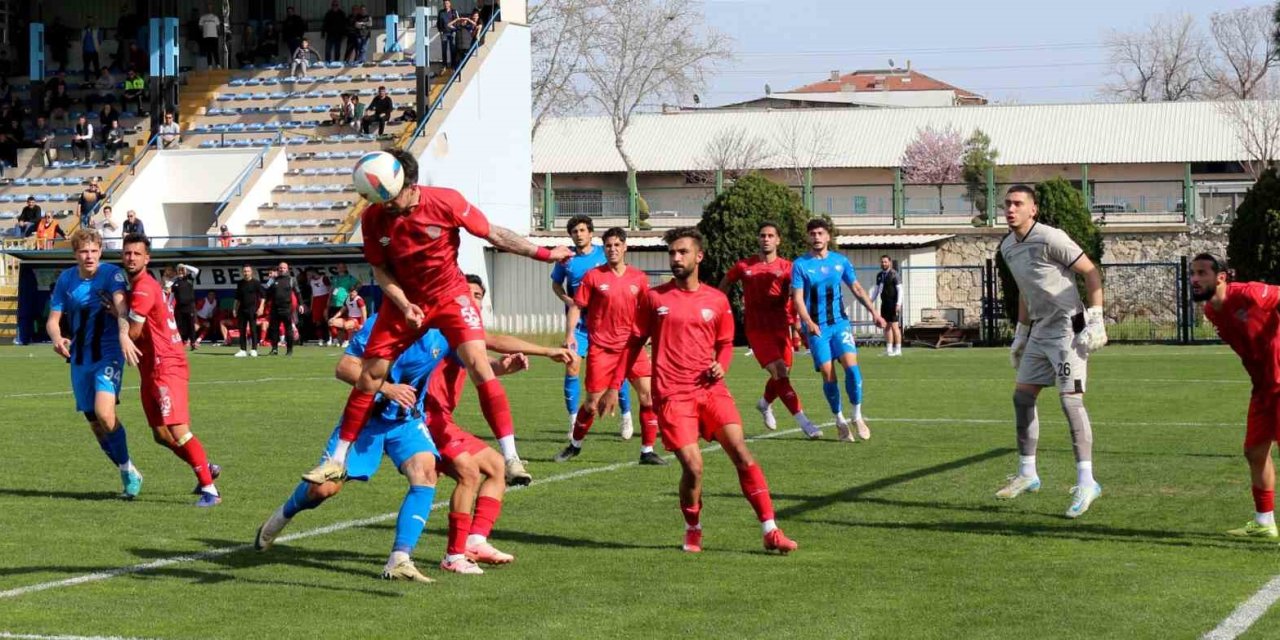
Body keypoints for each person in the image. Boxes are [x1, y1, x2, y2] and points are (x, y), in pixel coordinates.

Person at [302, 148, 573, 489]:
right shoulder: (373, 217)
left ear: (411, 185)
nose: (386, 206)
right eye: (379, 200)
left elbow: (494, 234)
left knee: (477, 362)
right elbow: (380, 270)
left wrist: (545, 254)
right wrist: (402, 304)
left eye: (391, 198)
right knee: (370, 375)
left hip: (449, 295)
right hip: (405, 302)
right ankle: (336, 460)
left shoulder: (446, 202)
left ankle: (511, 456)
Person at [601, 227, 797, 554]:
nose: (676, 258)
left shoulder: (717, 300)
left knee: (742, 454)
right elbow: (633, 342)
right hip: (672, 396)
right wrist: (613, 385)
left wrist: (722, 363)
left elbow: (724, 344)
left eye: (682, 252)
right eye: (672, 253)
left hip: (711, 391)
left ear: (699, 256)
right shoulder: (654, 297)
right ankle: (693, 526)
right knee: (693, 467)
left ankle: (770, 530)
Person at [996, 184, 1108, 518]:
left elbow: (1090, 272)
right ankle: (1028, 473)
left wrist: (1097, 318)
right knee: (1022, 397)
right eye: (1007, 204)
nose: (1010, 209)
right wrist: (1021, 334)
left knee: (1070, 402)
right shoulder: (1007, 247)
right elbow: (1024, 291)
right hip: (1039, 330)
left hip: (1066, 328)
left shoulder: (1051, 237)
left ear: (1034, 209)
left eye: (1018, 204)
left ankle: (1087, 482)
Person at [120, 234, 221, 506]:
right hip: (150, 368)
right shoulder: (143, 286)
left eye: (136, 254)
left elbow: (135, 331)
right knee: (160, 435)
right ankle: (204, 466)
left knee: (178, 429)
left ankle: (210, 490)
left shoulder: (142, 287)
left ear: (146, 258)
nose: (131, 257)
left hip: (166, 365)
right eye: (127, 253)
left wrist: (118, 323)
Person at [46, 227, 144, 499]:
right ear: (75, 254)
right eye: (83, 251)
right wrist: (57, 339)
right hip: (79, 357)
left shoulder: (111, 274)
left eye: (93, 251)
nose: (89, 256)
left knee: (104, 413)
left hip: (109, 353)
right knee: (94, 423)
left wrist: (124, 334)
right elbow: (53, 320)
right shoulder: (66, 280)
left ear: (100, 251)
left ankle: (126, 470)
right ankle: (128, 469)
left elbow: (122, 309)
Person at [555, 227, 663, 465]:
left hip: (632, 348)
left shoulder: (639, 278)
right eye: (608, 246)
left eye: (617, 245)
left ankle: (647, 450)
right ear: (603, 250)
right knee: (592, 404)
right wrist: (571, 333)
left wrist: (649, 335)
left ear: (625, 247)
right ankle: (575, 445)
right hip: (602, 348)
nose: (613, 249)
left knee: (648, 398)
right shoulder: (593, 276)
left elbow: (647, 309)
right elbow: (576, 306)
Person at [1191, 254, 1280, 538]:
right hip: (1263, 387)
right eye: (1192, 273)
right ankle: (1264, 521)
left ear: (1221, 277)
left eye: (1202, 273)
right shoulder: (1211, 312)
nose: (1194, 279)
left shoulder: (1251, 293)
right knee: (1254, 452)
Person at [791, 218, 885, 442]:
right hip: (816, 328)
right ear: (808, 237)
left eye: (820, 233)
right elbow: (797, 299)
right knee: (828, 374)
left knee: (852, 369)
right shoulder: (801, 265)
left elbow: (857, 288)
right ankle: (840, 419)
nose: (816, 237)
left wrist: (874, 313)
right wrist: (808, 322)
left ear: (828, 237)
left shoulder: (840, 261)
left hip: (839, 323)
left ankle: (857, 415)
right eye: (812, 233)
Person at [720, 221, 817, 434]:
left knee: (783, 375)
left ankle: (764, 404)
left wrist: (801, 319)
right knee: (780, 372)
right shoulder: (745, 266)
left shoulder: (787, 267)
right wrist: (719, 305)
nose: (766, 239)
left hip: (781, 328)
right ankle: (805, 423)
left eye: (770, 235)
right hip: (757, 330)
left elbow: (799, 293)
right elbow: (726, 282)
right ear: (758, 238)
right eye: (762, 235)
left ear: (778, 240)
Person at [550, 215, 634, 437]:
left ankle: (626, 417)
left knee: (617, 371)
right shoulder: (565, 259)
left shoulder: (604, 253)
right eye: (574, 232)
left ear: (590, 233)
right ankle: (572, 421)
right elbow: (556, 284)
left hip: (605, 326)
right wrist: (567, 300)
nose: (578, 235)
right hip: (578, 326)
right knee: (572, 365)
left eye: (582, 230)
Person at [265, 261, 301, 355]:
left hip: (287, 308)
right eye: (280, 268)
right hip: (275, 308)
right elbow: (267, 293)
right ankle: (274, 349)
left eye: (284, 268)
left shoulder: (292, 279)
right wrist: (270, 281)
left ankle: (289, 350)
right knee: (274, 329)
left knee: (288, 330)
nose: (282, 269)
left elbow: (298, 293)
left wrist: (301, 304)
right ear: (278, 269)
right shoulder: (273, 280)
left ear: (287, 269)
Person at [869, 255, 902, 357]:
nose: (884, 264)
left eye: (886, 262)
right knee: (886, 326)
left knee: (895, 327)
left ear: (890, 262)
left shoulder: (894, 274)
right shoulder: (879, 275)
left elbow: (900, 290)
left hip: (893, 304)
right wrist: (870, 301)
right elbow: (876, 290)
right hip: (884, 304)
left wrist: (898, 303)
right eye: (882, 262)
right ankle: (889, 350)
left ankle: (898, 349)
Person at [233, 265, 264, 357]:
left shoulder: (256, 283)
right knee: (242, 330)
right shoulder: (240, 283)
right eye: (244, 271)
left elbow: (263, 296)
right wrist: (234, 309)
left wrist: (261, 307)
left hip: (252, 309)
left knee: (253, 329)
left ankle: (254, 349)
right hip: (242, 309)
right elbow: (237, 298)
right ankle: (243, 350)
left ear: (251, 272)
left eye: (248, 271)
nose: (246, 273)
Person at [170, 264, 200, 350]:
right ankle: (182, 342)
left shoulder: (190, 278)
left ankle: (193, 343)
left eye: (182, 270)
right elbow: (172, 296)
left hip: (190, 307)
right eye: (179, 270)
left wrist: (185, 266)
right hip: (179, 308)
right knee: (181, 326)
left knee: (191, 325)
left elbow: (196, 270)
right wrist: (169, 307)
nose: (181, 272)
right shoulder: (175, 282)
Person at [306, 267, 333, 343]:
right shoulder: (311, 281)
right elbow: (312, 293)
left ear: (313, 272)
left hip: (324, 300)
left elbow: (330, 290)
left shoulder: (324, 278)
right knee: (317, 321)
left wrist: (328, 302)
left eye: (309, 274)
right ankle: (320, 339)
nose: (308, 275)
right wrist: (311, 306)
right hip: (316, 301)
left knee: (327, 319)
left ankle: (330, 338)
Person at [437, 0, 461, 69]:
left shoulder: (454, 11)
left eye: (447, 3)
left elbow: (457, 21)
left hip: (452, 33)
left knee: (452, 49)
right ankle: (444, 65)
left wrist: (455, 29)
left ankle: (453, 65)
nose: (446, 5)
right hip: (444, 33)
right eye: (444, 3)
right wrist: (440, 31)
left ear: (450, 4)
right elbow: (438, 22)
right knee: (444, 50)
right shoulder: (441, 12)